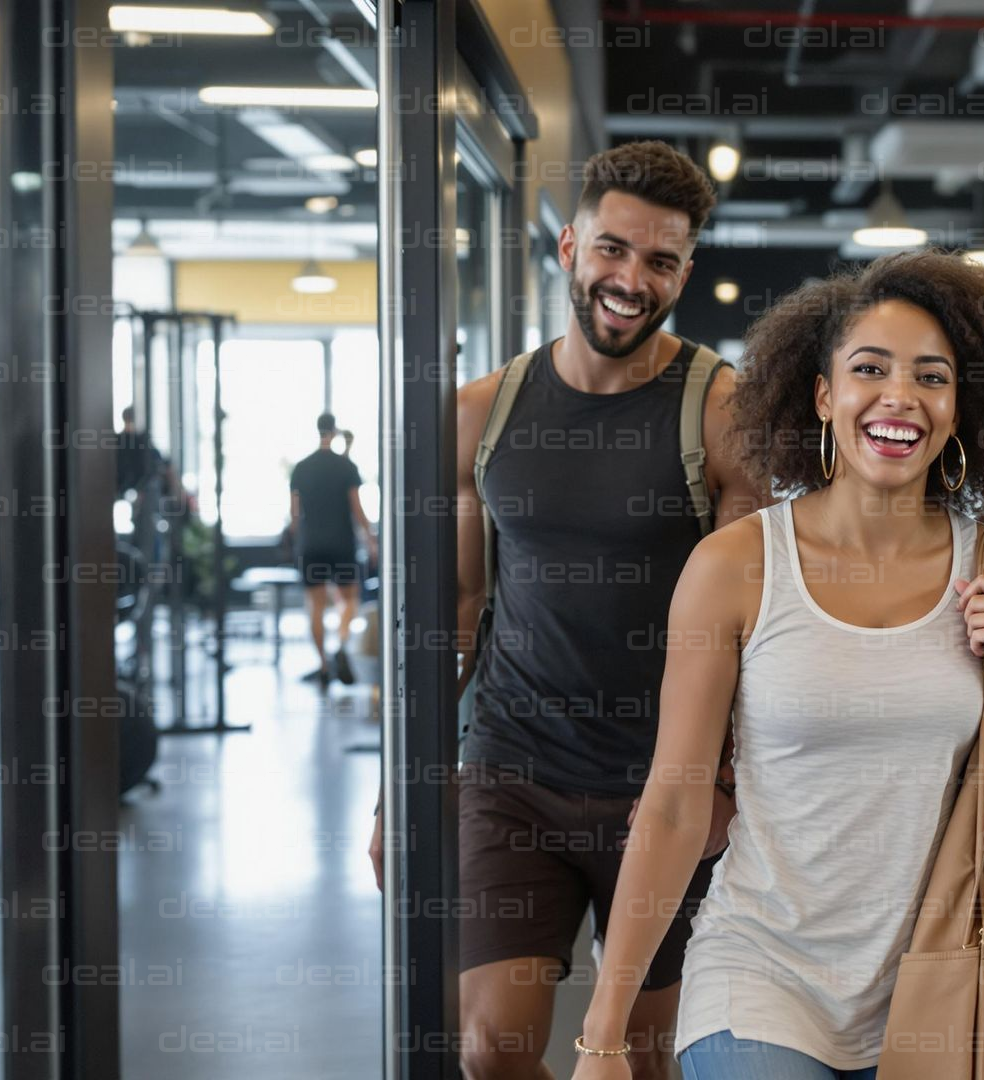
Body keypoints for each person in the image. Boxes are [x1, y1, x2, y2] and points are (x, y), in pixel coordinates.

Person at [570, 249, 984, 1080]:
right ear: (822, 395)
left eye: (931, 377)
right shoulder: (735, 566)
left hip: (933, 981)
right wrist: (604, 1030)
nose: (899, 398)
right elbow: (671, 803)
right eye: (869, 369)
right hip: (758, 970)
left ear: (959, 407)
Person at [365, 140, 770, 1080]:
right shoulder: (482, 414)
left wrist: (724, 777)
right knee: (492, 1050)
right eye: (614, 251)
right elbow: (458, 609)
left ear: (684, 271)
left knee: (645, 1055)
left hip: (661, 787)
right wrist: (403, 777)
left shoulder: (722, 412)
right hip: (513, 769)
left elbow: (757, 624)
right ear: (569, 248)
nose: (632, 280)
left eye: (660, 261)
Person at [290, 410, 376, 689]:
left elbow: (294, 514)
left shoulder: (301, 467)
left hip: (311, 543)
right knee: (349, 600)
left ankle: (324, 666)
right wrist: (370, 539)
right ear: (334, 430)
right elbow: (357, 509)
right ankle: (340, 644)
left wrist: (297, 540)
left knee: (315, 606)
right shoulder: (345, 467)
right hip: (341, 543)